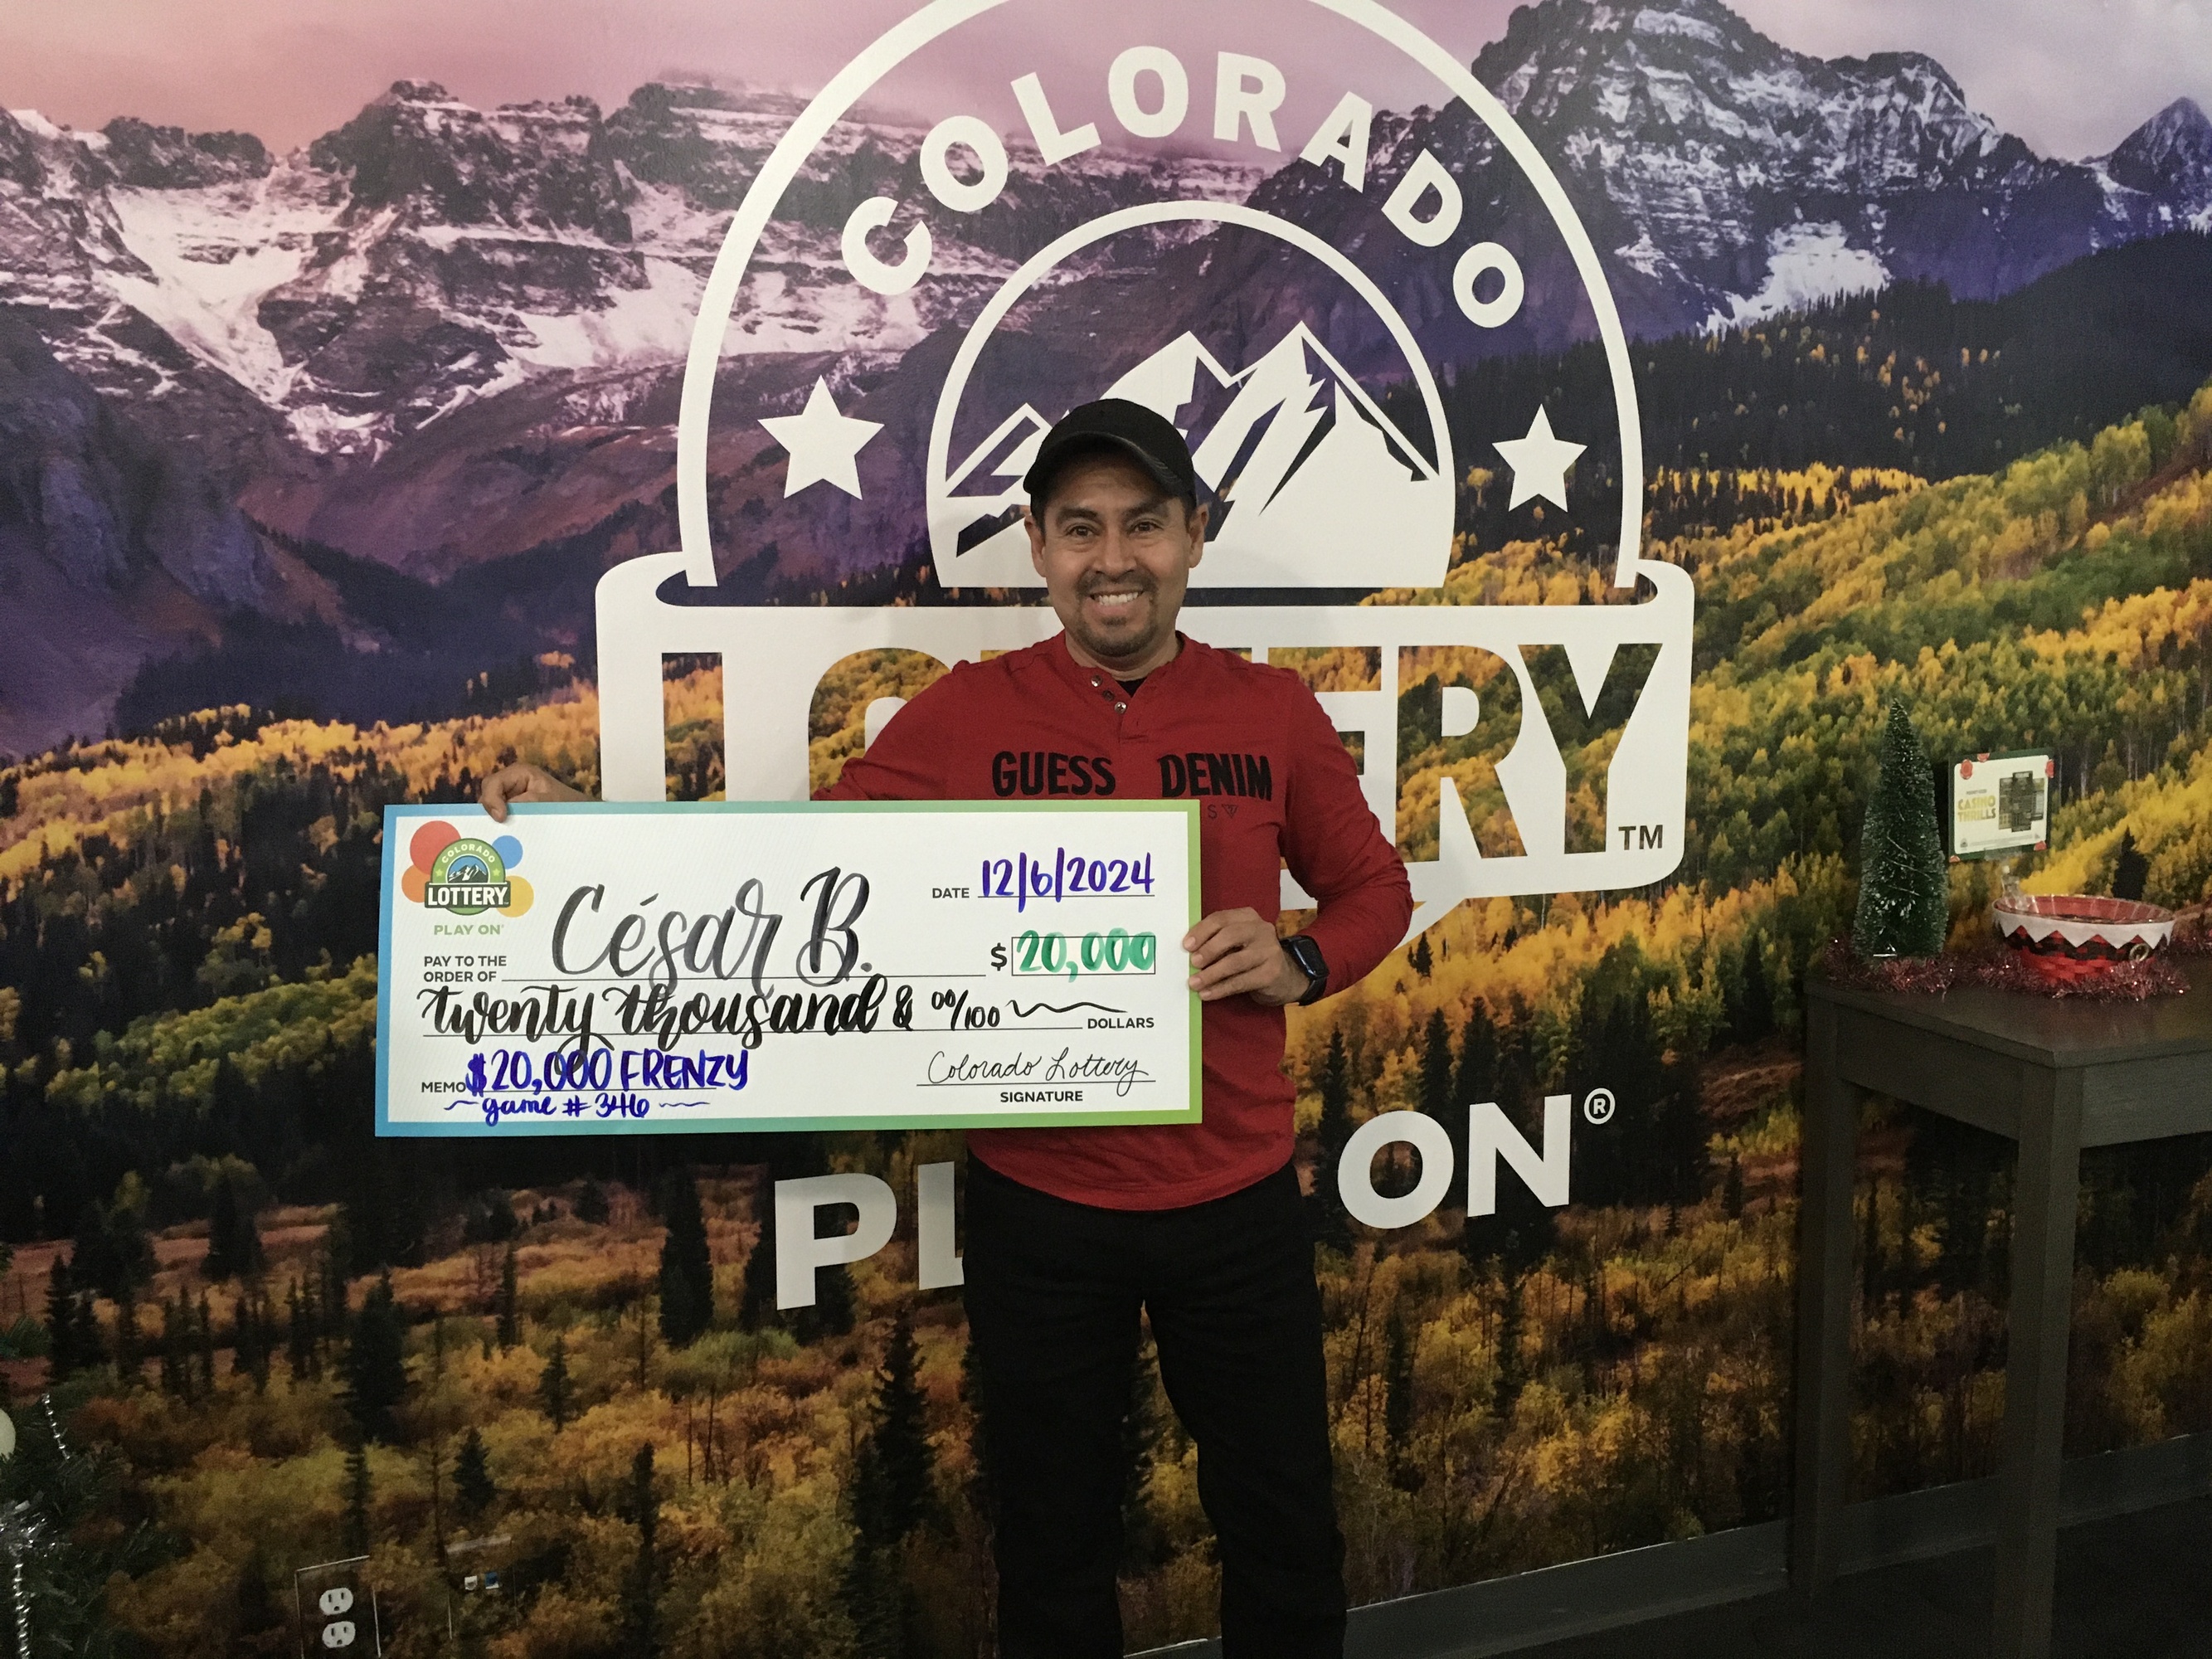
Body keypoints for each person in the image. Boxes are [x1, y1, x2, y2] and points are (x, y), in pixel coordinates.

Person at [481, 398, 1413, 1657]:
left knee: (1286, 1535)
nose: (1113, 558)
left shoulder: (1272, 716)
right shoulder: (973, 712)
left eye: (1144, 524)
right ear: (1037, 545)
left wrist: (1300, 957)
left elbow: (1377, 893)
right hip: (1041, 1211)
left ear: (1197, 535)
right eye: (1079, 528)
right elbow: (799, 866)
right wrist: (580, 829)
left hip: (1234, 1204)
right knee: (1050, 1550)